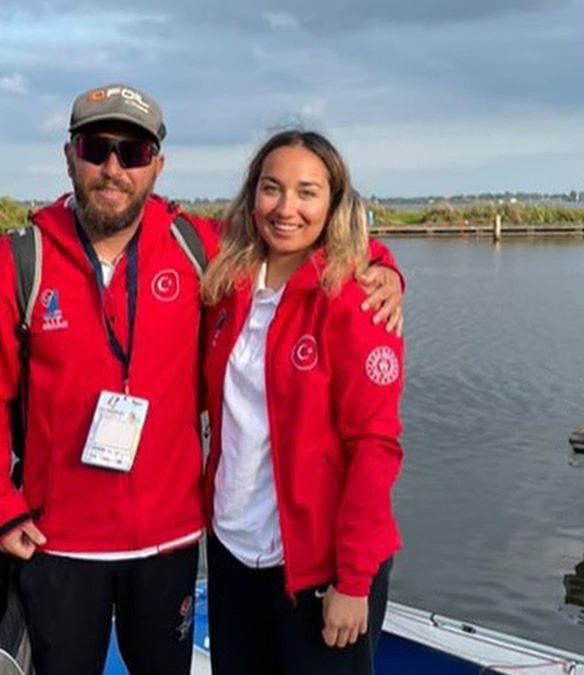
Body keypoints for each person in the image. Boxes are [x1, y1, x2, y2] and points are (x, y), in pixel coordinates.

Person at [0, 85, 403, 675]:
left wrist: (382, 269)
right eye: (97, 148)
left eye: (133, 153)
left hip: (170, 539)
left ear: (156, 166)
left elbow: (305, 245)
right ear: (70, 157)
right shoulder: (18, 260)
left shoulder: (194, 247)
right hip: (60, 539)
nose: (113, 168)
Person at [199, 129, 405, 675]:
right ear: (252, 196)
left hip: (318, 564)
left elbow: (375, 447)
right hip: (234, 550)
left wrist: (353, 579)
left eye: (307, 192)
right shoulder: (228, 284)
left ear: (333, 204)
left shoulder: (357, 300)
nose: (286, 208)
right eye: (272, 189)